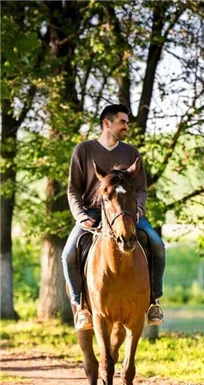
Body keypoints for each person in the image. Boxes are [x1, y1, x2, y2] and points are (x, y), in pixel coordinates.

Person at [61, 104, 166, 331]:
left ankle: (154, 302)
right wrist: (80, 216)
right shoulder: (83, 150)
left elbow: (141, 190)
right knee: (68, 254)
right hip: (91, 213)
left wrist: (138, 210)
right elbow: (73, 190)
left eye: (127, 123)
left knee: (157, 245)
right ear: (107, 123)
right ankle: (81, 307)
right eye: (123, 122)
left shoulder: (131, 153)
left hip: (127, 214)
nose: (127, 126)